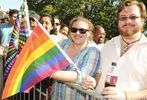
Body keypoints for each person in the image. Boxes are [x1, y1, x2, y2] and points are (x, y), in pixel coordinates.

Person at [82, 0, 147, 99]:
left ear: (142, 20)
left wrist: (125, 96)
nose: (127, 21)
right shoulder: (108, 44)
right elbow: (100, 74)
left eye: (133, 17)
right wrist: (93, 82)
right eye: (123, 18)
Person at [51, 16, 100, 100]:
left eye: (82, 30)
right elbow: (50, 61)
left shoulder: (93, 51)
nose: (77, 33)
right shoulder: (63, 43)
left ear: (89, 33)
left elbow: (82, 76)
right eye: (74, 29)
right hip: (56, 96)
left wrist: (49, 73)